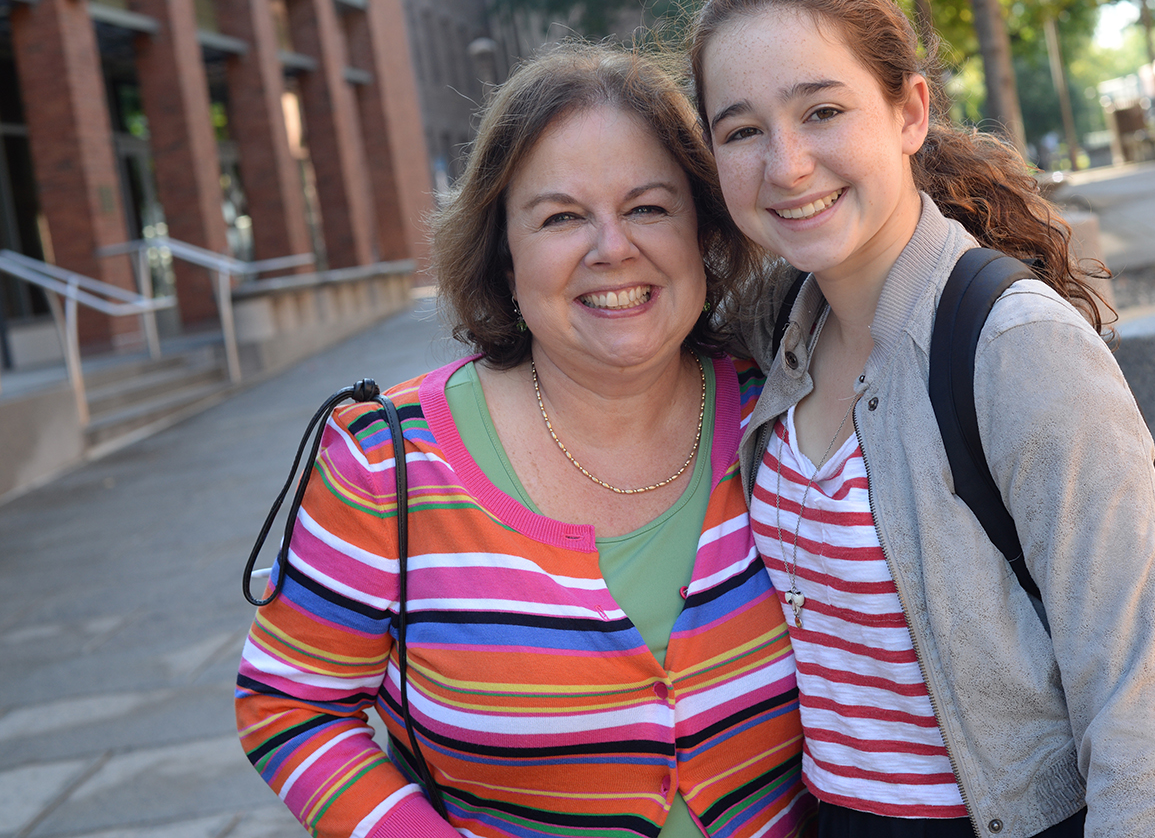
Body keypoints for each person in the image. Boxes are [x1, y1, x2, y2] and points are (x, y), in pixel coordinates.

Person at [688, 0, 1155, 837]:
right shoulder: (775, 327)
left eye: (822, 111)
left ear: (909, 111)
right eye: (741, 131)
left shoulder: (1017, 345)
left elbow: (1142, 711)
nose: (785, 165)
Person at [235, 46, 816, 838]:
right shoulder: (384, 464)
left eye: (649, 207)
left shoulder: (782, 413)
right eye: (561, 217)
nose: (612, 247)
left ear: (704, 234)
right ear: (503, 255)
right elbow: (291, 704)